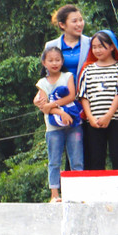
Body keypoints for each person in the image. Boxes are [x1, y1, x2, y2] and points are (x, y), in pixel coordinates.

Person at [77, 29, 118, 171]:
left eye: (101, 46)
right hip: (94, 122)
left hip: (117, 120)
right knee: (96, 159)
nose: (97, 50)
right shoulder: (87, 70)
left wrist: (108, 116)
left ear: (112, 46)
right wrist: (90, 118)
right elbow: (83, 96)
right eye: (94, 47)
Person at [35, 46, 82, 202]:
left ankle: (77, 193)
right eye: (50, 60)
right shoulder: (42, 83)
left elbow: (71, 96)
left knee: (76, 159)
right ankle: (54, 194)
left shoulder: (68, 76)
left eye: (57, 59)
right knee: (54, 160)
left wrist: (51, 106)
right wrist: (60, 112)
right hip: (53, 128)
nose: (54, 63)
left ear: (62, 61)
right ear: (44, 62)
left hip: (73, 124)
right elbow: (44, 107)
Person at [44, 5, 89, 82]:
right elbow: (48, 75)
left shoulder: (91, 43)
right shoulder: (51, 46)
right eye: (74, 21)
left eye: (81, 20)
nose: (79, 24)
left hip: (87, 92)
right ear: (62, 25)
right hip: (63, 92)